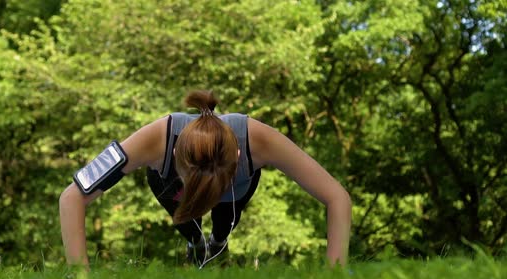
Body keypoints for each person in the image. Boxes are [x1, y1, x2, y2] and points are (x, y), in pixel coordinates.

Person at [59, 90, 351, 269]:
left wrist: (334, 273)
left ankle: (218, 240)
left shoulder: (259, 140)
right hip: (172, 188)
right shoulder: (153, 139)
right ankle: (196, 241)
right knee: (186, 221)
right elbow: (72, 197)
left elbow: (337, 197)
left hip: (236, 191)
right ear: (173, 153)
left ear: (238, 155)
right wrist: (79, 278)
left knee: (225, 221)